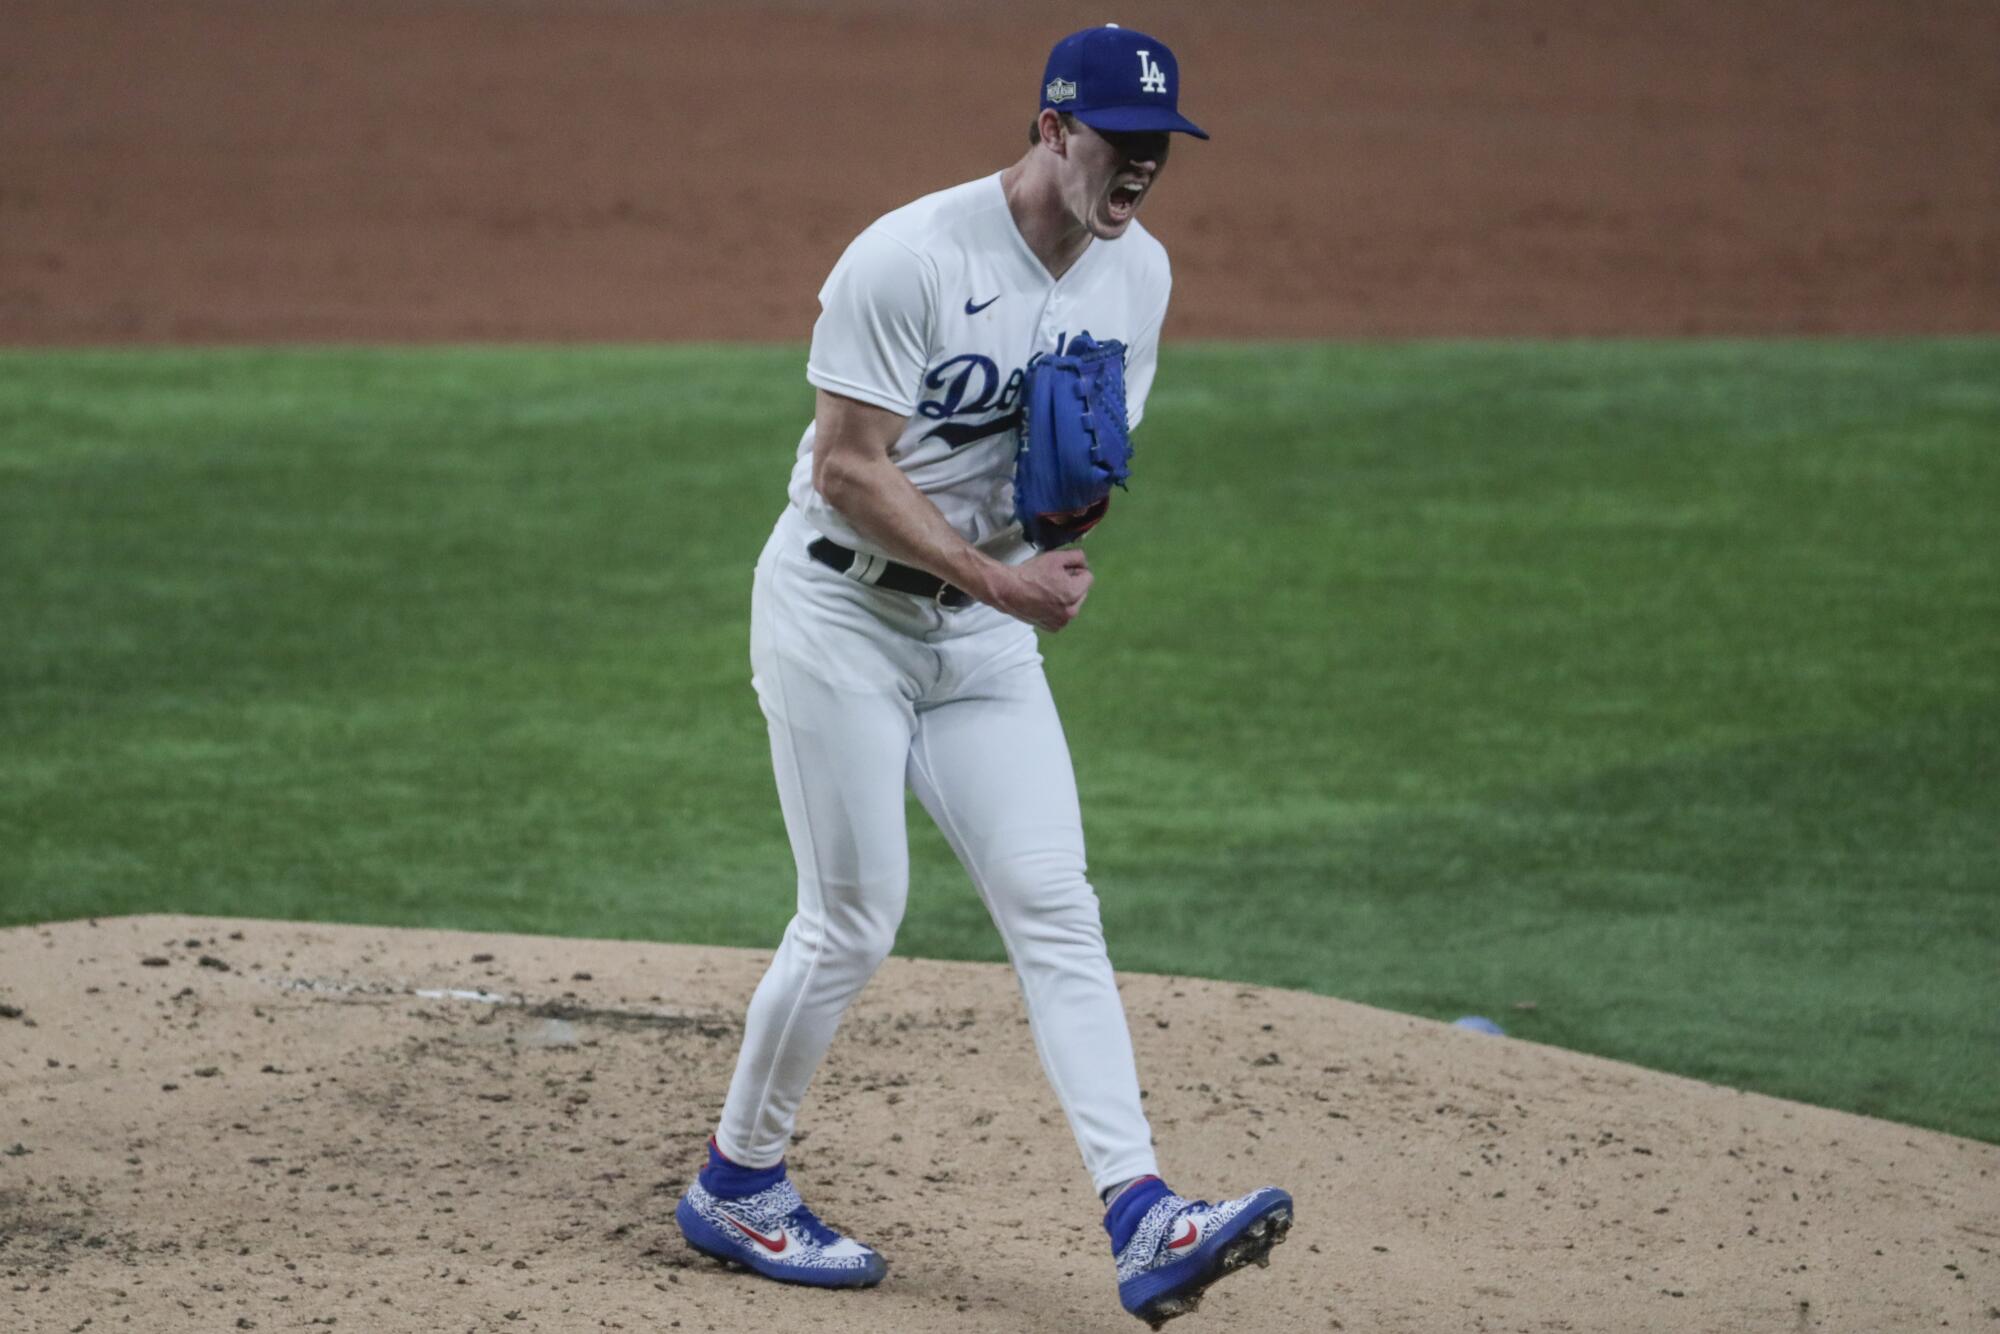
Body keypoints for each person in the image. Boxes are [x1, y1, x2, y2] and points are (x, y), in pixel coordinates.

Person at [674, 24, 1292, 1327]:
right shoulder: (911, 257)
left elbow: (1083, 467)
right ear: (1054, 127)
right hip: (838, 612)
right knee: (853, 915)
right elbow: (849, 463)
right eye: (1120, 146)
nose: (1138, 175)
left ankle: (1143, 1213)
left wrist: (1058, 551)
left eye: (1158, 155)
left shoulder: (1141, 277)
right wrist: (1001, 577)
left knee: (1054, 901)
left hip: (981, 639)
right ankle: (738, 1181)